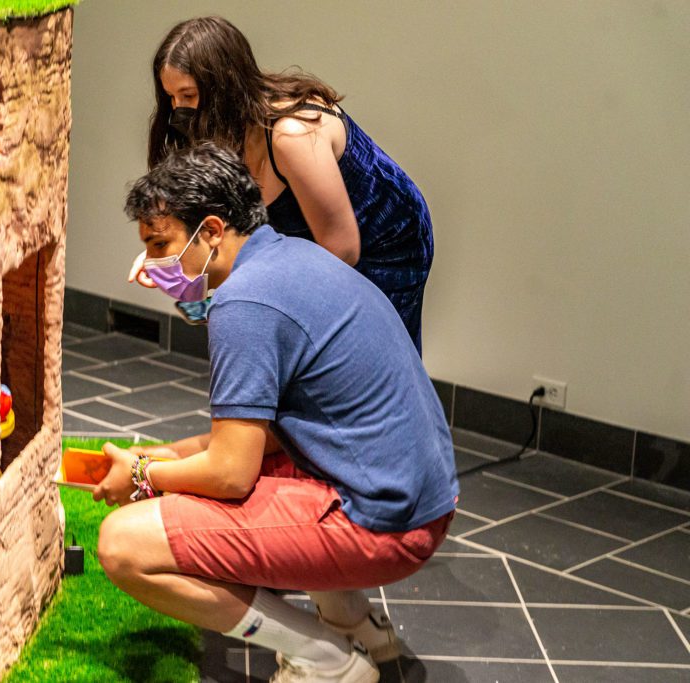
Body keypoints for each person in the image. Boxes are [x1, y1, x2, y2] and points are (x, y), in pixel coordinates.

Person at [96, 143, 457, 683]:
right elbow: (265, 438)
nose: (150, 267)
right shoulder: (292, 256)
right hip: (423, 498)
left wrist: (145, 476)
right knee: (222, 473)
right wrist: (166, 456)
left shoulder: (245, 303)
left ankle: (326, 662)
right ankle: (354, 626)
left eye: (159, 246)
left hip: (386, 523)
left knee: (124, 544)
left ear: (212, 230)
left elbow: (230, 472)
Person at [128, 16, 433, 354]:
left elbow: (342, 251)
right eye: (171, 97)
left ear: (224, 87)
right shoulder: (226, 132)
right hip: (311, 245)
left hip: (385, 242)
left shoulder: (292, 135)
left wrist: (254, 292)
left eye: (189, 95)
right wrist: (166, 253)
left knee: (375, 357)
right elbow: (221, 224)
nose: (179, 110)